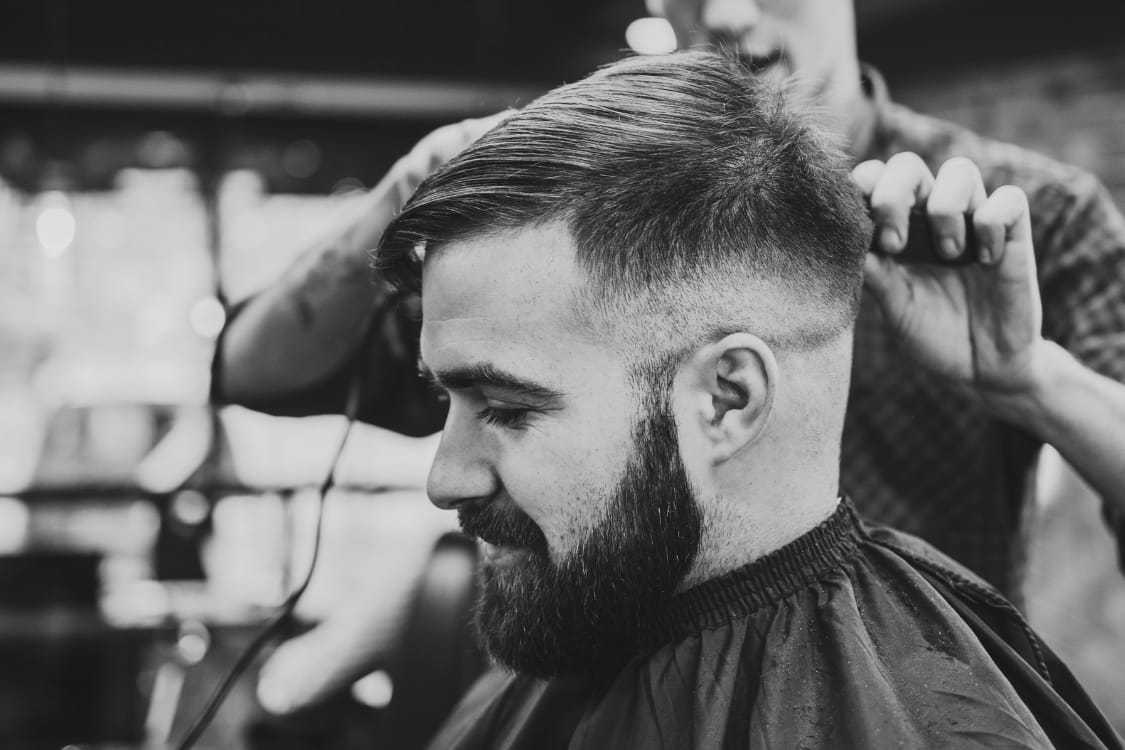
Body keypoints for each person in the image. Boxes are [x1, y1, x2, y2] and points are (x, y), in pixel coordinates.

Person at [214, 0, 1125, 713]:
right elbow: (258, 375)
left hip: (893, 688)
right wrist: (408, 191)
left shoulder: (1027, 216)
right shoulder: (579, 217)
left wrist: (1028, 378)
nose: (725, 11)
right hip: (594, 697)